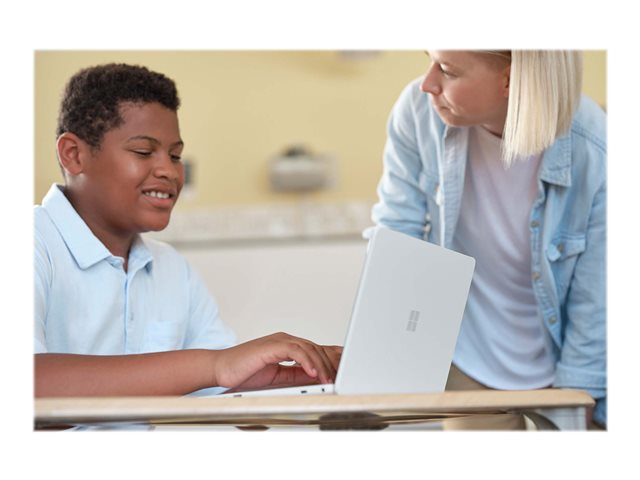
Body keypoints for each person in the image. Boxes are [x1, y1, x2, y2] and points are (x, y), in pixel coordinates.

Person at [34, 63, 341, 398]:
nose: (169, 171)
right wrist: (216, 365)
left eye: (176, 155)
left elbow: (217, 388)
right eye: (143, 152)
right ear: (73, 154)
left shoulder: (172, 268)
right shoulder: (34, 242)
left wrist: (296, 376)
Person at [370, 50, 606, 429]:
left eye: (447, 70)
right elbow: (397, 233)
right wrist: (381, 354)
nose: (427, 84)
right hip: (469, 354)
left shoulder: (596, 147)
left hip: (569, 358)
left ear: (510, 79)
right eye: (430, 61)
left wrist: (579, 396)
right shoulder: (417, 112)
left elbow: (598, 294)